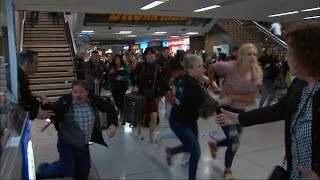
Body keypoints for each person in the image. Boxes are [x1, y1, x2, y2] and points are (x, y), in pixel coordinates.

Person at [215, 22, 320, 180]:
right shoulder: (300, 85)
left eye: (289, 53)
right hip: (295, 172)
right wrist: (238, 118)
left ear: (306, 56)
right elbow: (279, 109)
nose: (285, 57)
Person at [36, 80, 118, 179]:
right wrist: (46, 104)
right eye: (75, 92)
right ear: (72, 91)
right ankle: (43, 169)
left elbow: (110, 108)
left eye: (81, 92)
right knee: (67, 171)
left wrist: (113, 124)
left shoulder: (94, 100)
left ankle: (63, 163)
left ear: (87, 92)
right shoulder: (65, 101)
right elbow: (53, 109)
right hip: (67, 144)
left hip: (83, 145)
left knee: (83, 174)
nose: (78, 95)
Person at [207, 43, 263, 180]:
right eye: (249, 54)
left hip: (239, 112)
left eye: (255, 54)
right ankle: (227, 170)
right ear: (241, 56)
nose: (252, 57)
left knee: (233, 140)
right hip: (223, 110)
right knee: (235, 142)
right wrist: (211, 83)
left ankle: (215, 144)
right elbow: (211, 67)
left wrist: (232, 97)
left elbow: (250, 98)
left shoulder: (256, 74)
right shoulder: (230, 66)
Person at [165, 54, 206, 180]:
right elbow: (208, 107)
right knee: (196, 150)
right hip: (179, 122)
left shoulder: (187, 78)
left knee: (191, 146)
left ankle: (171, 152)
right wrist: (226, 99)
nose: (203, 69)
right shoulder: (192, 85)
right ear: (190, 69)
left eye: (202, 65)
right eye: (199, 66)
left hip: (189, 119)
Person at [133, 47, 169, 143]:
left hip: (151, 94)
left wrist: (169, 87)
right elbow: (133, 76)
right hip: (141, 94)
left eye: (153, 54)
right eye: (149, 54)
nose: (151, 56)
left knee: (154, 116)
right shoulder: (140, 66)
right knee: (141, 115)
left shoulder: (157, 67)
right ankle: (139, 131)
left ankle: (151, 135)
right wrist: (135, 85)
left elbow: (162, 80)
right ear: (145, 55)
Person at [6, 50, 47, 120]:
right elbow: (16, 104)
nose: (38, 66)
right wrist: (36, 114)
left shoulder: (21, 73)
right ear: (27, 64)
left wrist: (38, 103)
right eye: (36, 63)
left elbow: (26, 95)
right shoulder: (13, 77)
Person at [107, 54, 131, 123]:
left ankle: (123, 114)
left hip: (122, 86)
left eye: (118, 59)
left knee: (122, 100)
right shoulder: (111, 67)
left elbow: (128, 75)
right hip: (114, 86)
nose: (117, 61)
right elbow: (108, 77)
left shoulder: (124, 66)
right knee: (116, 101)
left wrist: (122, 78)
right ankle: (119, 109)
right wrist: (110, 73)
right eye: (116, 59)